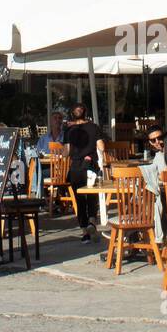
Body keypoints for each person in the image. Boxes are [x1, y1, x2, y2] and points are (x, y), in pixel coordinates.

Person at [64, 103, 102, 242]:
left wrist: (59, 151)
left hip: (76, 167)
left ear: (72, 113)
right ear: (85, 113)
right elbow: (101, 147)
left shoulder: (69, 130)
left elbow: (66, 152)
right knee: (92, 195)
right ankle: (92, 220)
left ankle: (85, 232)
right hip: (90, 165)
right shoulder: (94, 127)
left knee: (79, 199)